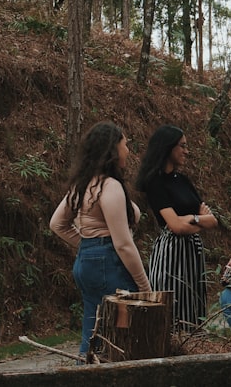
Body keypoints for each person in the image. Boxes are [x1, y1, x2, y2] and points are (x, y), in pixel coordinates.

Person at [50, 121, 151, 360]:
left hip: (87, 265)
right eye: (125, 145)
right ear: (113, 150)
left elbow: (57, 224)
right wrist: (145, 288)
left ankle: (85, 375)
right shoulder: (109, 186)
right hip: (111, 267)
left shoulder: (83, 185)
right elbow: (123, 245)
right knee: (122, 335)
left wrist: (89, 248)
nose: (128, 151)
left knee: (93, 333)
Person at [135, 125, 218, 332]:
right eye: (182, 146)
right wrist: (197, 219)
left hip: (193, 251)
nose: (186, 151)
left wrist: (190, 220)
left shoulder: (183, 181)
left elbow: (213, 221)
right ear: (168, 147)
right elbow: (175, 226)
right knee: (172, 302)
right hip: (171, 252)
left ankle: (192, 347)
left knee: (193, 301)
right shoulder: (155, 181)